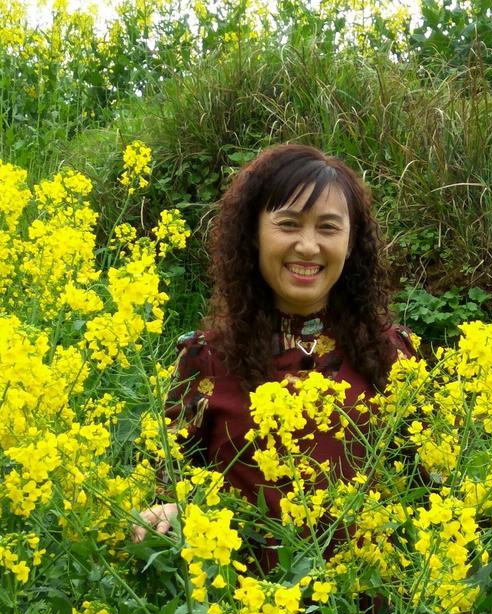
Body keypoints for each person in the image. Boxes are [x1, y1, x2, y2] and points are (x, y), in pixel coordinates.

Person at [132, 143, 416, 543]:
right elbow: (168, 485)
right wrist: (171, 508)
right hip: (239, 600)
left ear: (351, 244)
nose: (308, 246)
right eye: (288, 224)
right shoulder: (205, 360)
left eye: (329, 227)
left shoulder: (391, 355)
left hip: (368, 604)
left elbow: (432, 491)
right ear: (254, 235)